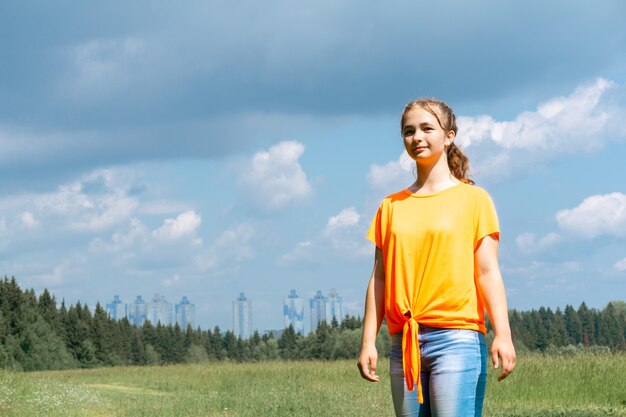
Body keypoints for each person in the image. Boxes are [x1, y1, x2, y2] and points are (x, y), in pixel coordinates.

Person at [357, 98, 516, 417]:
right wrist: (367, 341)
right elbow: (380, 277)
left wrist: (503, 334)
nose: (417, 137)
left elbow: (487, 272)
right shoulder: (390, 206)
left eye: (427, 128)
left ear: (449, 135)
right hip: (403, 342)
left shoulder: (474, 200)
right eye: (408, 131)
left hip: (456, 339)